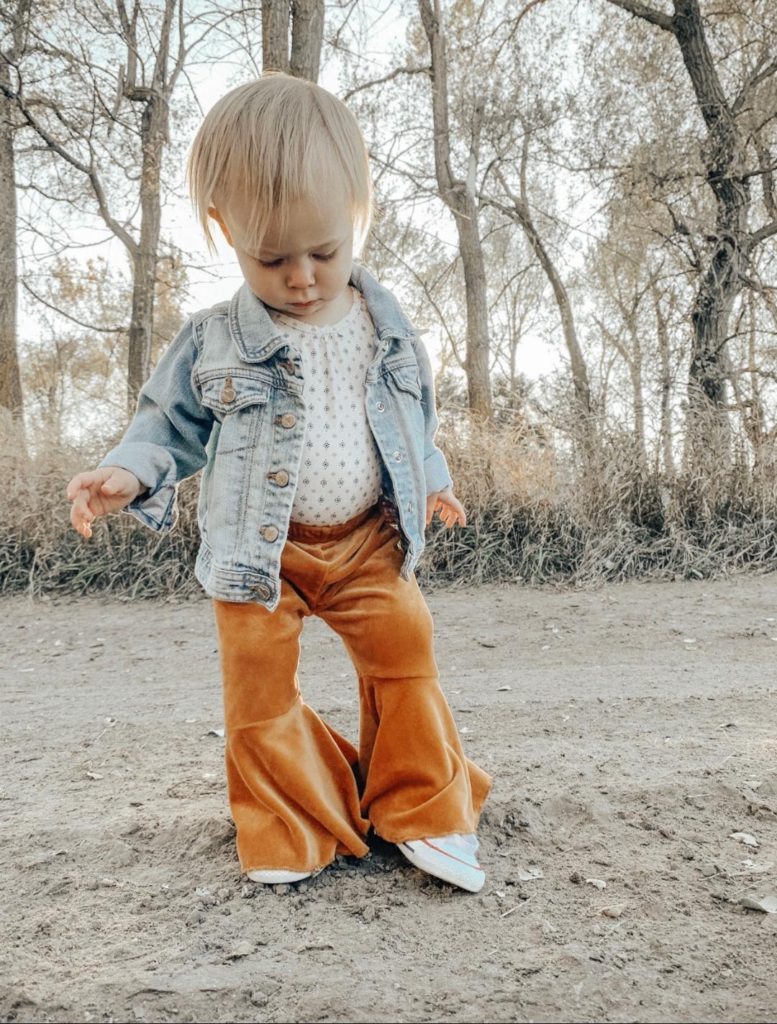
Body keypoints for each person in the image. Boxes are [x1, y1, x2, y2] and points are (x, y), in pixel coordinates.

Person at [66, 73, 491, 893]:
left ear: (356, 213)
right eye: (272, 257)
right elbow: (167, 426)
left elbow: (413, 419)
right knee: (257, 691)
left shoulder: (385, 323)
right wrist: (127, 472)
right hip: (258, 560)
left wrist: (432, 479)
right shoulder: (215, 340)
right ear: (225, 228)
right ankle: (291, 820)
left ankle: (424, 807)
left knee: (405, 656)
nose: (301, 276)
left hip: (367, 542)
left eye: (324, 252)